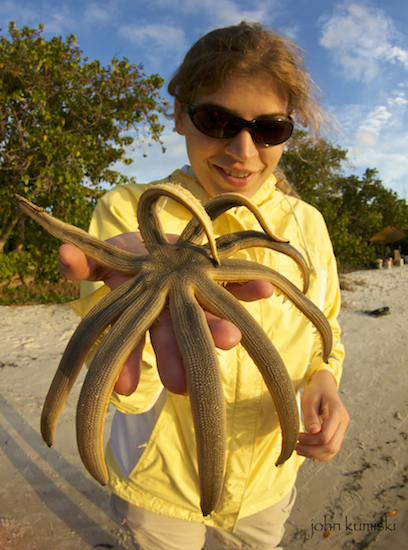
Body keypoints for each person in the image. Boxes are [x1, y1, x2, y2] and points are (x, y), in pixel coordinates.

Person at [58, 21, 349, 550]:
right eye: (216, 120)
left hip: (269, 477)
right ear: (180, 115)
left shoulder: (307, 226)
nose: (243, 149)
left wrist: (324, 381)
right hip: (161, 481)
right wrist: (142, 316)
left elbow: (323, 327)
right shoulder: (130, 216)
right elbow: (122, 382)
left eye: (269, 129)